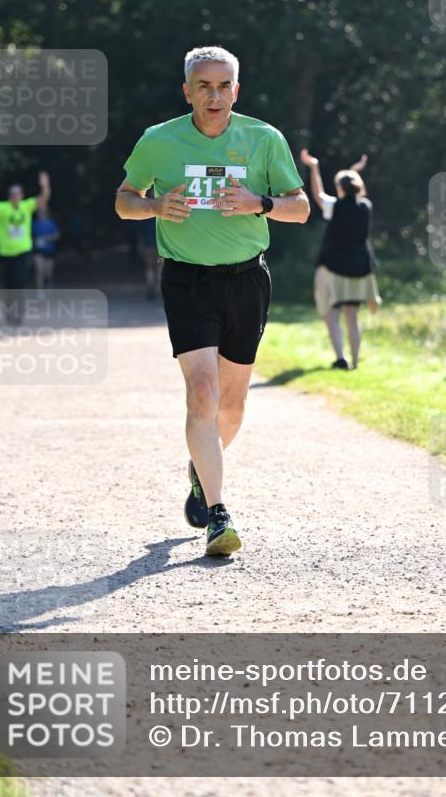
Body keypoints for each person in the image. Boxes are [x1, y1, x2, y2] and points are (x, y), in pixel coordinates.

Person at [115, 46, 308, 557]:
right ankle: (219, 515)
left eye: (224, 86)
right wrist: (155, 205)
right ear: (188, 91)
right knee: (202, 391)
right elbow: (124, 200)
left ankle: (202, 470)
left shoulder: (264, 139)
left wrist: (259, 203)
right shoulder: (158, 140)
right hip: (186, 280)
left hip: (247, 281)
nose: (214, 95)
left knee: (232, 404)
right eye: (204, 86)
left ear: (236, 91)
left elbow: (301, 208)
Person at [300, 149, 381, 370]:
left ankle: (340, 358)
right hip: (359, 269)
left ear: (340, 188)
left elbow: (318, 195)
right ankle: (355, 362)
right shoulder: (366, 207)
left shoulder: (334, 207)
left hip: (333, 268)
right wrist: (355, 171)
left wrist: (314, 167)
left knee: (331, 314)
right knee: (352, 318)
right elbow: (355, 190)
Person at [0, 172, 51, 321]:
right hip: (6, 252)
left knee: (19, 281)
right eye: (12, 194)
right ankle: (10, 311)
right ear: (9, 196)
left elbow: (44, 198)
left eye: (17, 194)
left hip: (23, 251)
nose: (14, 196)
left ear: (22, 195)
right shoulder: (3, 208)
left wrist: (45, 185)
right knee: (9, 283)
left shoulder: (27, 206)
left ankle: (19, 312)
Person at [32, 205, 60, 299]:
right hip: (38, 251)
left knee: (48, 272)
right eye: (39, 211)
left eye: (42, 211)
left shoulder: (50, 223)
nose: (41, 213)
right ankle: (39, 291)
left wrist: (48, 238)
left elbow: (57, 235)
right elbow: (29, 236)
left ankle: (49, 283)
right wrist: (34, 240)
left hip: (49, 251)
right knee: (39, 270)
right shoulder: (33, 224)